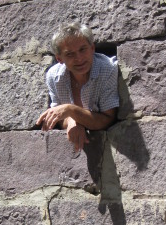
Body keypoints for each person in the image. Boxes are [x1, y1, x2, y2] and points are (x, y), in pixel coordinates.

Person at [36, 22, 119, 151]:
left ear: (92, 48)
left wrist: (71, 110)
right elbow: (58, 117)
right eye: (70, 54)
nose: (79, 58)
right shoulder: (53, 76)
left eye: (82, 49)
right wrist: (71, 120)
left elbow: (107, 119)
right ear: (59, 59)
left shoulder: (108, 69)